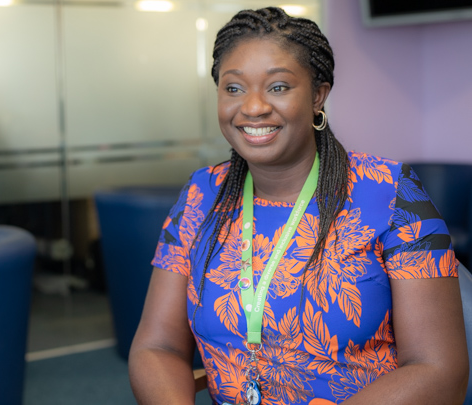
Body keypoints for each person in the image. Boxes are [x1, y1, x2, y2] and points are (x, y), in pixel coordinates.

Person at [128, 7, 469, 405]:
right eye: (233, 88)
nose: (252, 107)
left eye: (278, 87)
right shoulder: (202, 194)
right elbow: (158, 346)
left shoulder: (390, 192)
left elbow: (438, 370)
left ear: (318, 95)